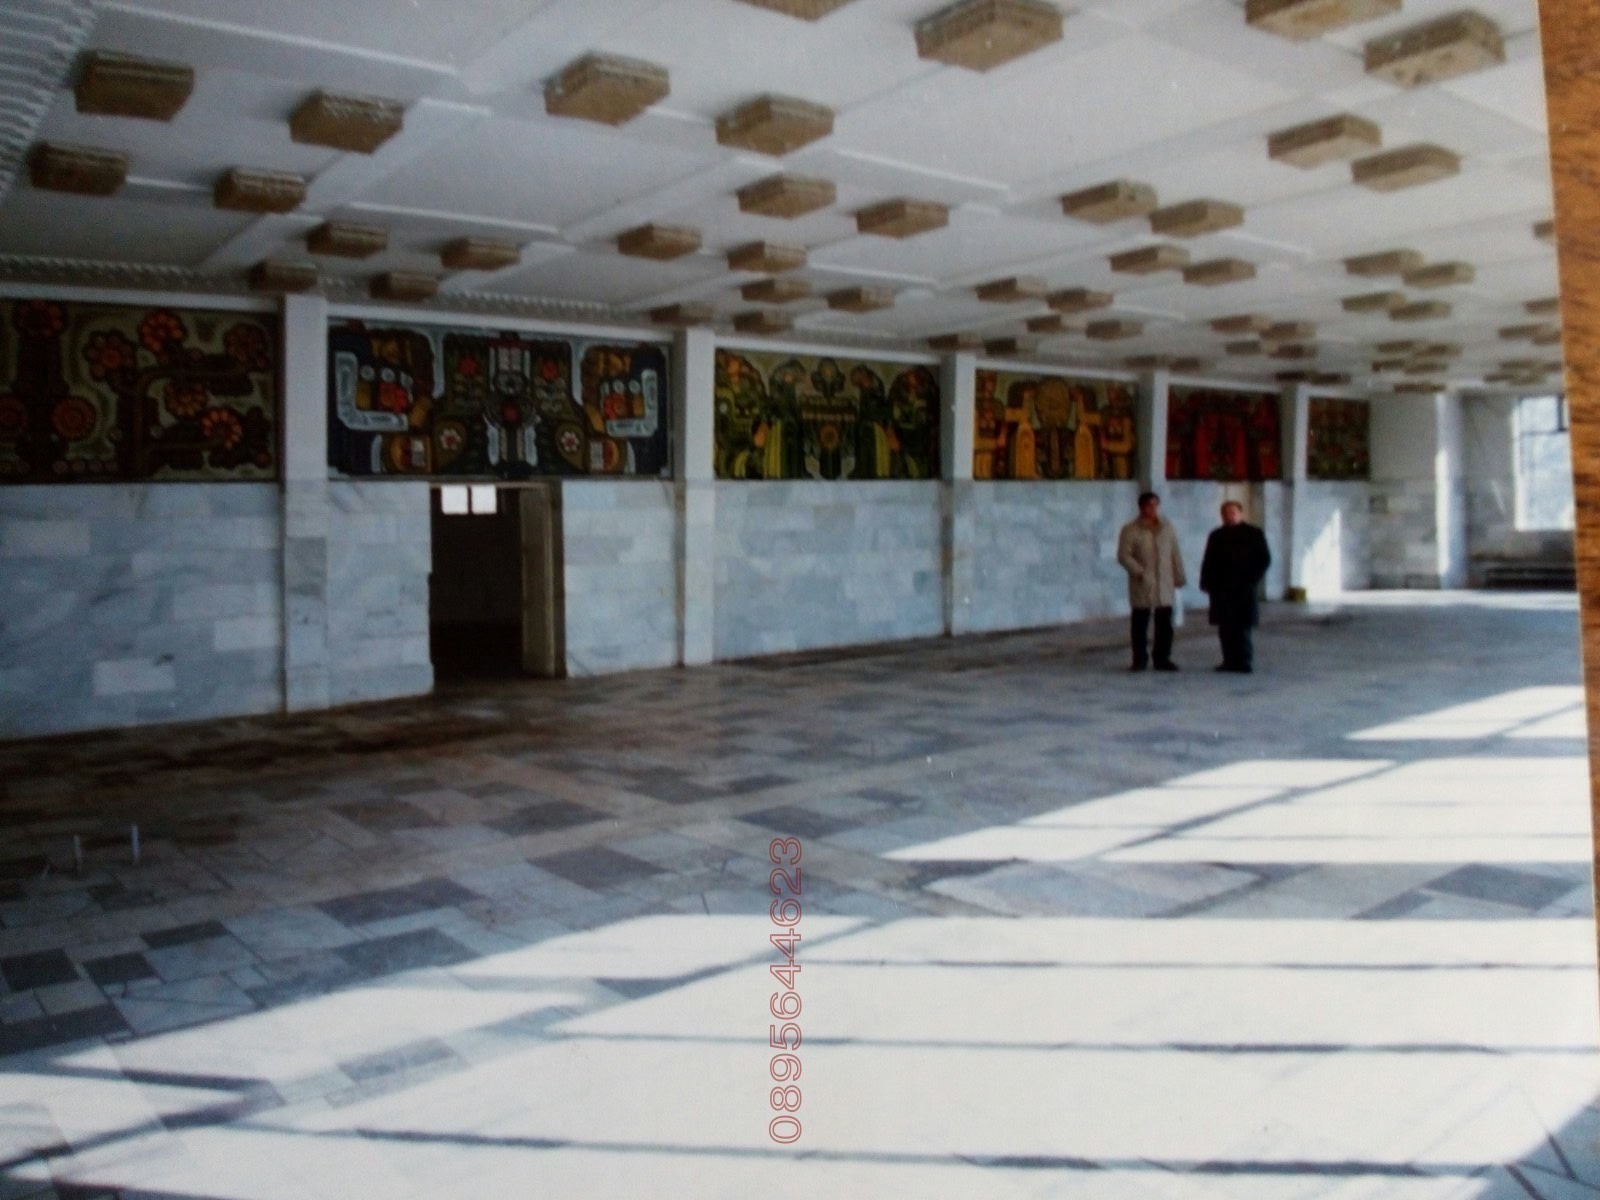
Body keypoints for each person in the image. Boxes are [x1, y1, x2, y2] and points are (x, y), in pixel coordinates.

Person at [1199, 500, 1272, 673]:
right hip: (1221, 588)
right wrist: (1206, 582)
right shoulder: (1216, 535)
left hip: (1244, 587)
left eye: (1233, 512)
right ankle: (1228, 660)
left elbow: (1264, 559)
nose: (1229, 516)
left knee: (1242, 625)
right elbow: (1208, 561)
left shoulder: (1253, 534)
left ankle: (1244, 661)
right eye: (1226, 513)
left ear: (1241, 513)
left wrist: (1252, 579)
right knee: (1225, 626)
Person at [1116, 491, 1186, 672]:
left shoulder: (1166, 527)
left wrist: (1179, 576)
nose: (1153, 509)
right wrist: (1138, 571)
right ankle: (1139, 659)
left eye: (1155, 505)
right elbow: (1123, 555)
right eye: (1149, 505)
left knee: (1165, 624)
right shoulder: (1131, 529)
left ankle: (1162, 658)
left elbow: (1174, 552)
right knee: (1140, 623)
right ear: (1141, 507)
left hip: (1164, 581)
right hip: (1143, 582)